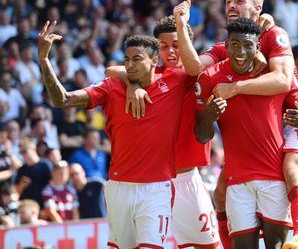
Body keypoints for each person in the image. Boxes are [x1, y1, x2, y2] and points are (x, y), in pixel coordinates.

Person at [37, 21, 198, 248]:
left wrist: (182, 24)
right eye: (126, 60)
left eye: (137, 59)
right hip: (119, 187)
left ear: (154, 61)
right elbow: (61, 99)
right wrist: (44, 60)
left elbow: (196, 68)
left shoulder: (175, 81)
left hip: (157, 188)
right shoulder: (111, 88)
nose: (130, 65)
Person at [202, 0, 298, 249]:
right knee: (220, 194)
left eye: (239, 1)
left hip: (291, 117)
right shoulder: (226, 44)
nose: (231, 5)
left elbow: (283, 81)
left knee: (293, 170)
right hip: (258, 132)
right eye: (228, 0)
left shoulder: (274, 33)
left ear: (257, 9)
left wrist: (234, 88)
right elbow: (196, 67)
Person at [105, 3, 220, 248]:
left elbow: (192, 67)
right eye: (164, 46)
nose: (170, 52)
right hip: (149, 185)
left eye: (176, 45)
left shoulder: (200, 72)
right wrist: (133, 84)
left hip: (186, 179)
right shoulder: (150, 74)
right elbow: (112, 69)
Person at [195, 17, 291, 249]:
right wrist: (209, 116)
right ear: (226, 46)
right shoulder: (210, 78)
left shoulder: (273, 74)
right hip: (237, 182)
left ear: (257, 47)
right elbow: (201, 135)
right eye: (235, 45)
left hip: (274, 177)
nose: (241, 51)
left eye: (248, 45)